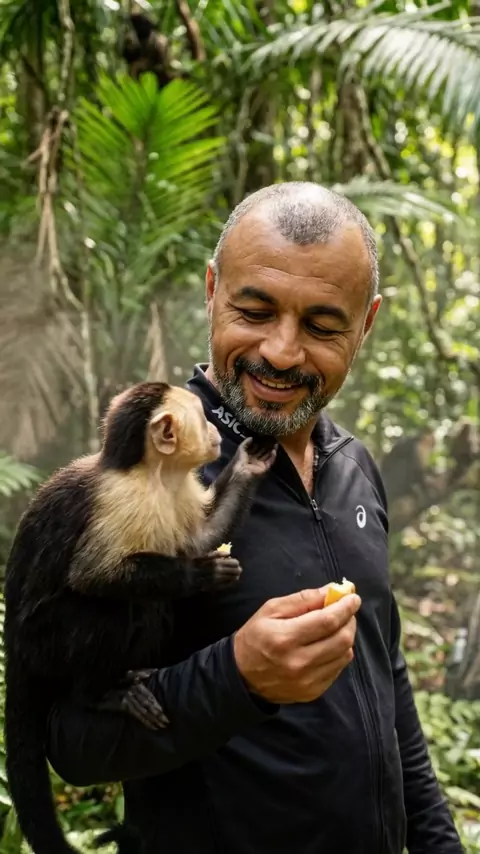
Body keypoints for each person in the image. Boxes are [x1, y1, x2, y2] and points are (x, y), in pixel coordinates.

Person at [46, 182, 463, 853]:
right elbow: (73, 742)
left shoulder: (355, 465)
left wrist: (440, 843)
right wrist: (235, 678)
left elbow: (384, 676)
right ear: (213, 290)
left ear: (367, 324)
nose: (282, 351)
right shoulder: (148, 477)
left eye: (322, 326)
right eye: (255, 311)